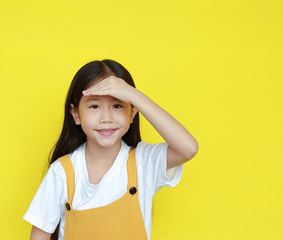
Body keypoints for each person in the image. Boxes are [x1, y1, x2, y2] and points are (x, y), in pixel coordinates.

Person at [23, 59, 198, 240]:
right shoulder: (62, 172)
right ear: (76, 114)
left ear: (132, 113)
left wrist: (134, 95)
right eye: (94, 106)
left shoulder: (143, 163)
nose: (106, 118)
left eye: (117, 105)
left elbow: (188, 148)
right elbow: (39, 236)